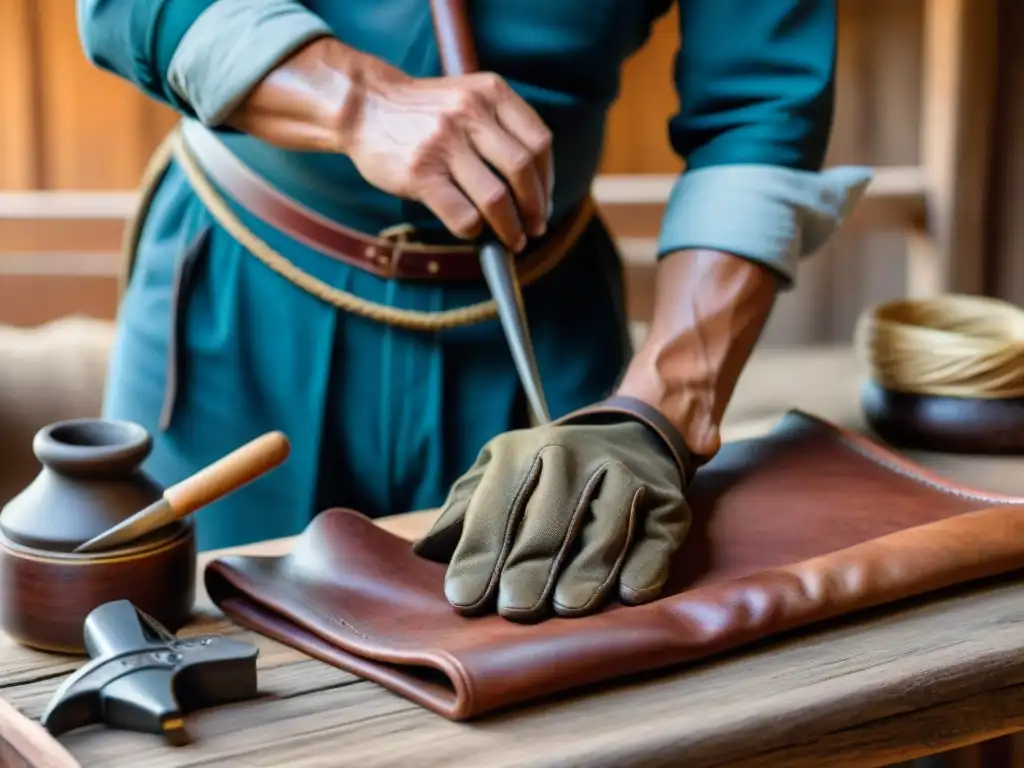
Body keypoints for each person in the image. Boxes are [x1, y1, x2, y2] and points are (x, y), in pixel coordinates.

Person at [77, 0, 870, 621]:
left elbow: (760, 110)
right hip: (240, 305)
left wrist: (660, 412)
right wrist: (362, 102)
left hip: (542, 323)